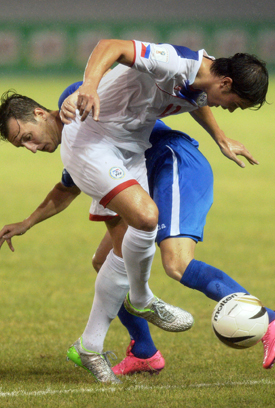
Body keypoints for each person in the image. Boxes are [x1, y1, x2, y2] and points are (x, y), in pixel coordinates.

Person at [0, 39, 270, 382]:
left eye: (27, 138)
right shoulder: (174, 61)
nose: (33, 148)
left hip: (130, 149)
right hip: (95, 142)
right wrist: (88, 86)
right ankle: (142, 299)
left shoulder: (203, 82)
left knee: (115, 255)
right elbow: (111, 45)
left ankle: (92, 345)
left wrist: (219, 135)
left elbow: (197, 97)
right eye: (234, 103)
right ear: (226, 83)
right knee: (147, 219)